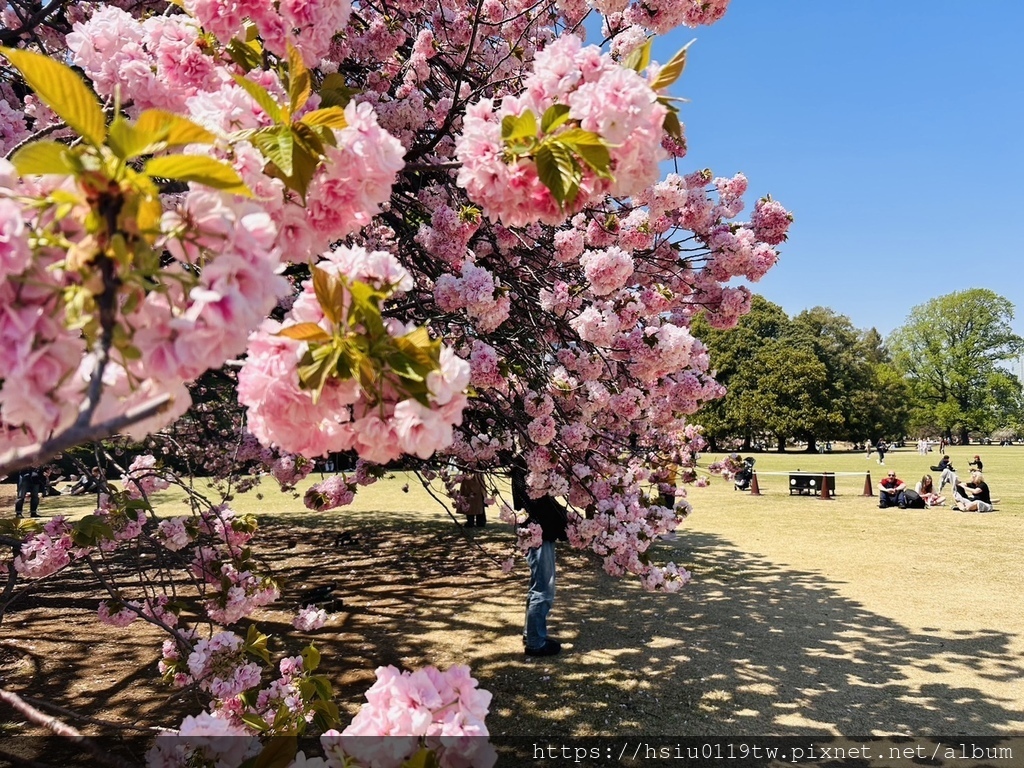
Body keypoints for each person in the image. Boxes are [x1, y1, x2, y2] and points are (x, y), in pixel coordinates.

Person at [512, 461, 568, 657]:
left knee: (538, 586)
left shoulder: (524, 466)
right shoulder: (527, 468)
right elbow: (538, 504)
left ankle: (532, 634)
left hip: (536, 532)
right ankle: (535, 642)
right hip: (538, 533)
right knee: (543, 588)